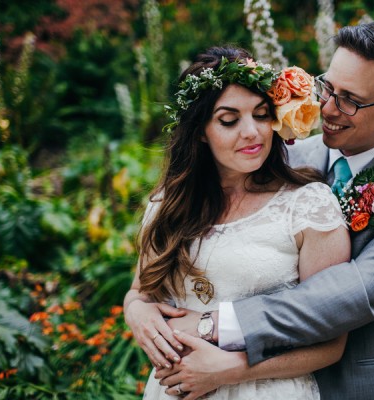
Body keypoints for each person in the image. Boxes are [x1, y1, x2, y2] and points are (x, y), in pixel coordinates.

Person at [131, 22, 374, 400]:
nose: (327, 108)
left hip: (359, 386)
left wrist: (209, 328)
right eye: (328, 87)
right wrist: (138, 310)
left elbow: (349, 295)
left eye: (350, 99)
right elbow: (147, 284)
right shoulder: (277, 157)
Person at [123, 45, 351, 399]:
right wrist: (136, 312)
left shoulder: (308, 207)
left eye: (261, 115)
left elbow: (332, 341)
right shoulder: (169, 204)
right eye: (229, 120)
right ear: (200, 131)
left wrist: (232, 370)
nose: (252, 133)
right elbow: (141, 291)